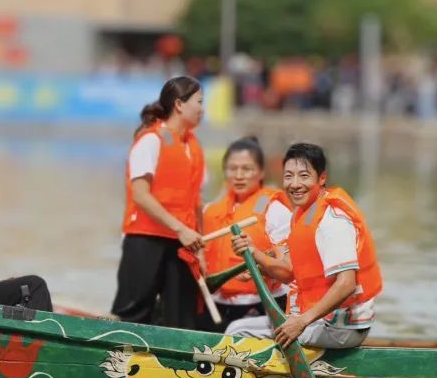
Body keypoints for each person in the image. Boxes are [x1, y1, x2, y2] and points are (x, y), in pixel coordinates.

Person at [225, 143, 382, 349]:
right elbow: (288, 272)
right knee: (241, 327)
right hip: (322, 320)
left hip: (340, 327)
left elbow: (346, 284)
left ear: (322, 178)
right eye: (289, 176)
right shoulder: (302, 213)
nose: (295, 184)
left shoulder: (331, 221)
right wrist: (255, 254)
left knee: (238, 331)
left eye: (304, 176)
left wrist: (301, 321)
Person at [111, 76, 206, 328]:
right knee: (133, 313)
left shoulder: (193, 146)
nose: (202, 108)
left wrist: (201, 245)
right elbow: (141, 195)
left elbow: (196, 201)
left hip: (182, 243)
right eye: (199, 101)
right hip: (146, 239)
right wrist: (180, 228)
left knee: (182, 318)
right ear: (179, 104)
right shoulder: (151, 141)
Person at [199, 136, 291, 329]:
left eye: (247, 169)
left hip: (261, 304)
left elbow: (288, 267)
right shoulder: (210, 210)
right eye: (233, 169)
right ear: (225, 171)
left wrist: (261, 263)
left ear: (261, 172)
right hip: (217, 303)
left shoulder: (275, 210)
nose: (239, 175)